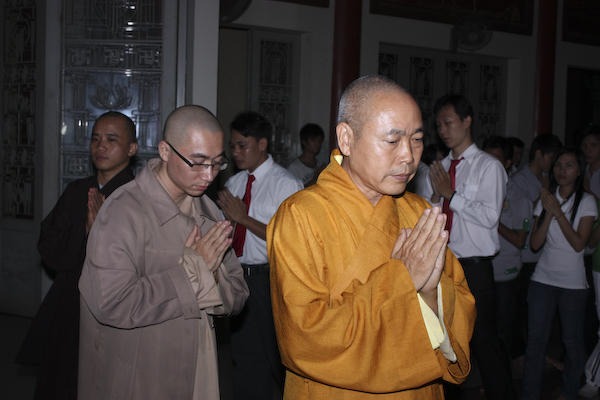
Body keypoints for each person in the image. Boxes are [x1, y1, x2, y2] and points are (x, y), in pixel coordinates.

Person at [267, 75, 476, 399]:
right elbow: (304, 336)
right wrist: (401, 279)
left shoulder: (420, 211)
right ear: (347, 139)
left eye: (417, 140)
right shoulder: (300, 216)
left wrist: (430, 295)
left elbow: (460, 301)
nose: (408, 156)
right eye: (392, 141)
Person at [78, 105, 249, 400]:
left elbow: (239, 292)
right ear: (166, 151)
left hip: (199, 364)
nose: (208, 175)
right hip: (141, 372)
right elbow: (111, 302)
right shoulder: (123, 212)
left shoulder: (208, 210)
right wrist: (194, 271)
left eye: (217, 163)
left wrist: (212, 279)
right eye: (197, 162)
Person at [15, 111, 138, 400]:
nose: (100, 146)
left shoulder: (137, 198)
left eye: (111, 139)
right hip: (69, 301)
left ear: (132, 148)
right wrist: (83, 233)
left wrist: (100, 235)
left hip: (114, 310)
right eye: (95, 139)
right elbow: (48, 242)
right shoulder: (78, 190)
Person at [423, 94, 514, 399]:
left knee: (485, 342)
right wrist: (437, 197)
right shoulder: (439, 167)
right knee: (447, 341)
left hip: (474, 266)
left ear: (467, 121)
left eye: (448, 122)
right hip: (443, 263)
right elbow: (429, 214)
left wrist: (451, 195)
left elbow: (489, 217)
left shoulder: (489, 167)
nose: (443, 130)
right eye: (439, 125)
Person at [217, 111, 303, 400]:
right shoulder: (235, 184)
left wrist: (243, 218)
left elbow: (290, 241)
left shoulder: (286, 185)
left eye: (243, 145)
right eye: (233, 146)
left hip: (267, 278)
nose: (236, 152)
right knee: (241, 354)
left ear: (262, 144)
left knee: (270, 355)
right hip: (237, 273)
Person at [521, 147, 597, 400]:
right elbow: (535, 244)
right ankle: (529, 394)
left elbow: (579, 244)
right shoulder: (546, 199)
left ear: (579, 171)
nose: (562, 170)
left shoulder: (586, 201)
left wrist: (557, 212)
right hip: (542, 279)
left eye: (569, 165)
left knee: (572, 341)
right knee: (535, 341)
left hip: (573, 284)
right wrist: (548, 211)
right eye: (558, 165)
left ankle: (569, 391)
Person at [482, 135, 530, 357]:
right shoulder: (476, 190)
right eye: (485, 159)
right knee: (480, 330)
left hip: (505, 275)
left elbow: (520, 240)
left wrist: (491, 220)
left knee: (502, 333)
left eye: (496, 160)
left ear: (508, 163)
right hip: (480, 270)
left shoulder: (518, 196)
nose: (489, 165)